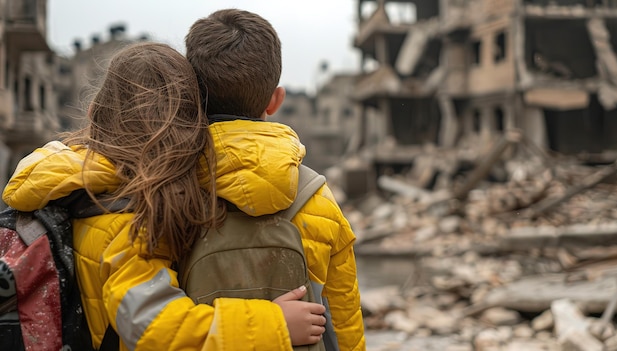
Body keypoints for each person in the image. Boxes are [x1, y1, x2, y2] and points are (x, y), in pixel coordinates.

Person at [3, 42, 324, 350]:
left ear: (93, 113)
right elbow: (153, 324)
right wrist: (274, 323)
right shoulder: (133, 219)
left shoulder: (63, 184)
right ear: (193, 127)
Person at [185, 9, 366, 350]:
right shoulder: (318, 199)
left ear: (192, 98)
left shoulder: (163, 191)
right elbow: (345, 329)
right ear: (276, 99)